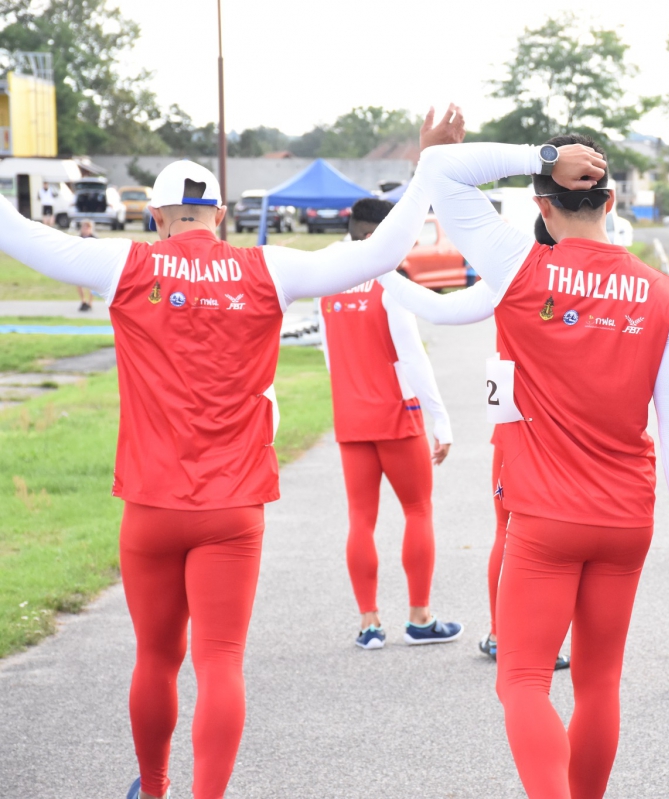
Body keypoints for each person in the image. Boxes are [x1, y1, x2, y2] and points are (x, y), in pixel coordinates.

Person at [0, 107, 464, 799]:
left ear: (156, 217)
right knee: (220, 661)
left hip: (152, 504)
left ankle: (154, 786)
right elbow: (377, 253)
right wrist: (428, 167)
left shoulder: (125, 262)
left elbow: (15, 231)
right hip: (234, 505)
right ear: (219, 216)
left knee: (156, 659)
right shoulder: (265, 267)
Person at [418, 118, 669, 798]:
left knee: (522, 680)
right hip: (626, 517)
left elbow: (440, 171)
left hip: (546, 516)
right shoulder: (666, 292)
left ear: (540, 206)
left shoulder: (519, 263)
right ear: (612, 200)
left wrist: (540, 155)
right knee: (599, 682)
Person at [375, 220, 570, 670]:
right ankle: (542, 640)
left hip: (518, 422)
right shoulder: (599, 279)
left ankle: (503, 634)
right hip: (577, 430)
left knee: (510, 531)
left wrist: (379, 265)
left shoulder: (511, 273)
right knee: (564, 538)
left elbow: (439, 308)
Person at [318, 197, 461, 649]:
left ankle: (369, 624)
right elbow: (412, 356)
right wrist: (441, 419)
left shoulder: (329, 280)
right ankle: (420, 618)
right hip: (397, 415)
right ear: (377, 234)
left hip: (351, 416)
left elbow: (328, 354)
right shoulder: (389, 281)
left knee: (360, 519)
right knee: (418, 510)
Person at [77, 220, 97, 311]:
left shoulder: (95, 239)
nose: (86, 229)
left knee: (92, 284)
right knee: (79, 283)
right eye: (84, 227)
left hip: (92, 264)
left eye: (88, 227)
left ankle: (90, 302)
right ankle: (83, 301)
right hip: (81, 264)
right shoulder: (78, 239)